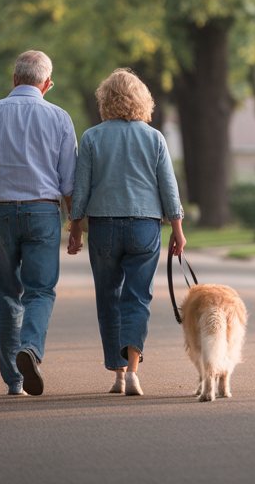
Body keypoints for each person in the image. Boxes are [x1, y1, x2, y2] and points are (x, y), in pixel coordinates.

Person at [0, 51, 80, 396]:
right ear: (47, 84)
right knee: (40, 290)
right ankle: (30, 347)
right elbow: (69, 181)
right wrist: (74, 225)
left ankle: (14, 380)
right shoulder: (59, 117)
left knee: (6, 294)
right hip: (43, 212)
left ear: (14, 80)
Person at [69, 68, 186, 396]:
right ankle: (133, 370)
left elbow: (81, 188)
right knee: (138, 297)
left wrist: (75, 225)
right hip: (145, 225)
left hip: (104, 225)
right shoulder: (154, 138)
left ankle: (117, 374)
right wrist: (177, 229)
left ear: (105, 100)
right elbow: (168, 188)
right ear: (141, 101)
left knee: (108, 298)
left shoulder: (92, 137)